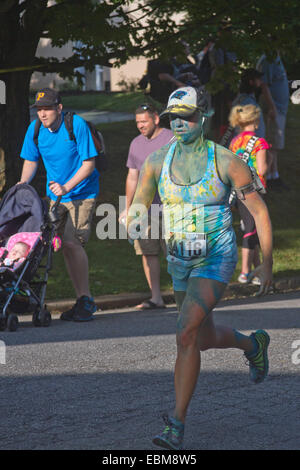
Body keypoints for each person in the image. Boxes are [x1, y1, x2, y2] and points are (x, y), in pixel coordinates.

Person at [127, 86, 273, 450]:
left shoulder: (226, 161)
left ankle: (176, 424)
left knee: (185, 332)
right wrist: (132, 219)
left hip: (216, 256)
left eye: (187, 115)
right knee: (201, 337)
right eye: (173, 116)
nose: (179, 122)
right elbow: (140, 203)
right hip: (179, 259)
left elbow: (259, 211)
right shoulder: (156, 161)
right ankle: (252, 343)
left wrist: (266, 265)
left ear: (203, 117)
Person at [19, 88, 99, 322]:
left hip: (82, 193)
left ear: (59, 109)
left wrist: (66, 187)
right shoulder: (35, 130)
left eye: (47, 109)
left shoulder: (77, 125)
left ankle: (86, 300)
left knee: (73, 243)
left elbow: (89, 164)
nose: (42, 114)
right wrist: (22, 185)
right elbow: (30, 160)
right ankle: (80, 299)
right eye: (39, 109)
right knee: (61, 246)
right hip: (55, 197)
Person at [119, 104, 174, 309]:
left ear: (156, 119)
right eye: (138, 122)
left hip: (170, 207)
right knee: (148, 252)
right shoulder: (135, 144)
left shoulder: (171, 139)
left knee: (175, 253)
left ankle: (185, 296)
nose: (140, 126)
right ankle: (156, 297)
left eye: (144, 121)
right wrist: (128, 207)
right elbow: (132, 176)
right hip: (145, 210)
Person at [229, 104, 269, 285]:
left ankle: (256, 271)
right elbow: (262, 169)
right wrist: (272, 161)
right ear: (255, 120)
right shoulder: (259, 142)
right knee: (252, 230)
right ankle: (245, 272)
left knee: (248, 227)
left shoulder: (235, 142)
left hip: (238, 190)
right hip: (254, 191)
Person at [256, 52, 290, 190]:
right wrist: (272, 107)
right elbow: (264, 86)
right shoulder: (268, 60)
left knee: (274, 144)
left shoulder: (274, 57)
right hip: (273, 110)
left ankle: (273, 175)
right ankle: (269, 177)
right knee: (272, 143)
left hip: (279, 108)